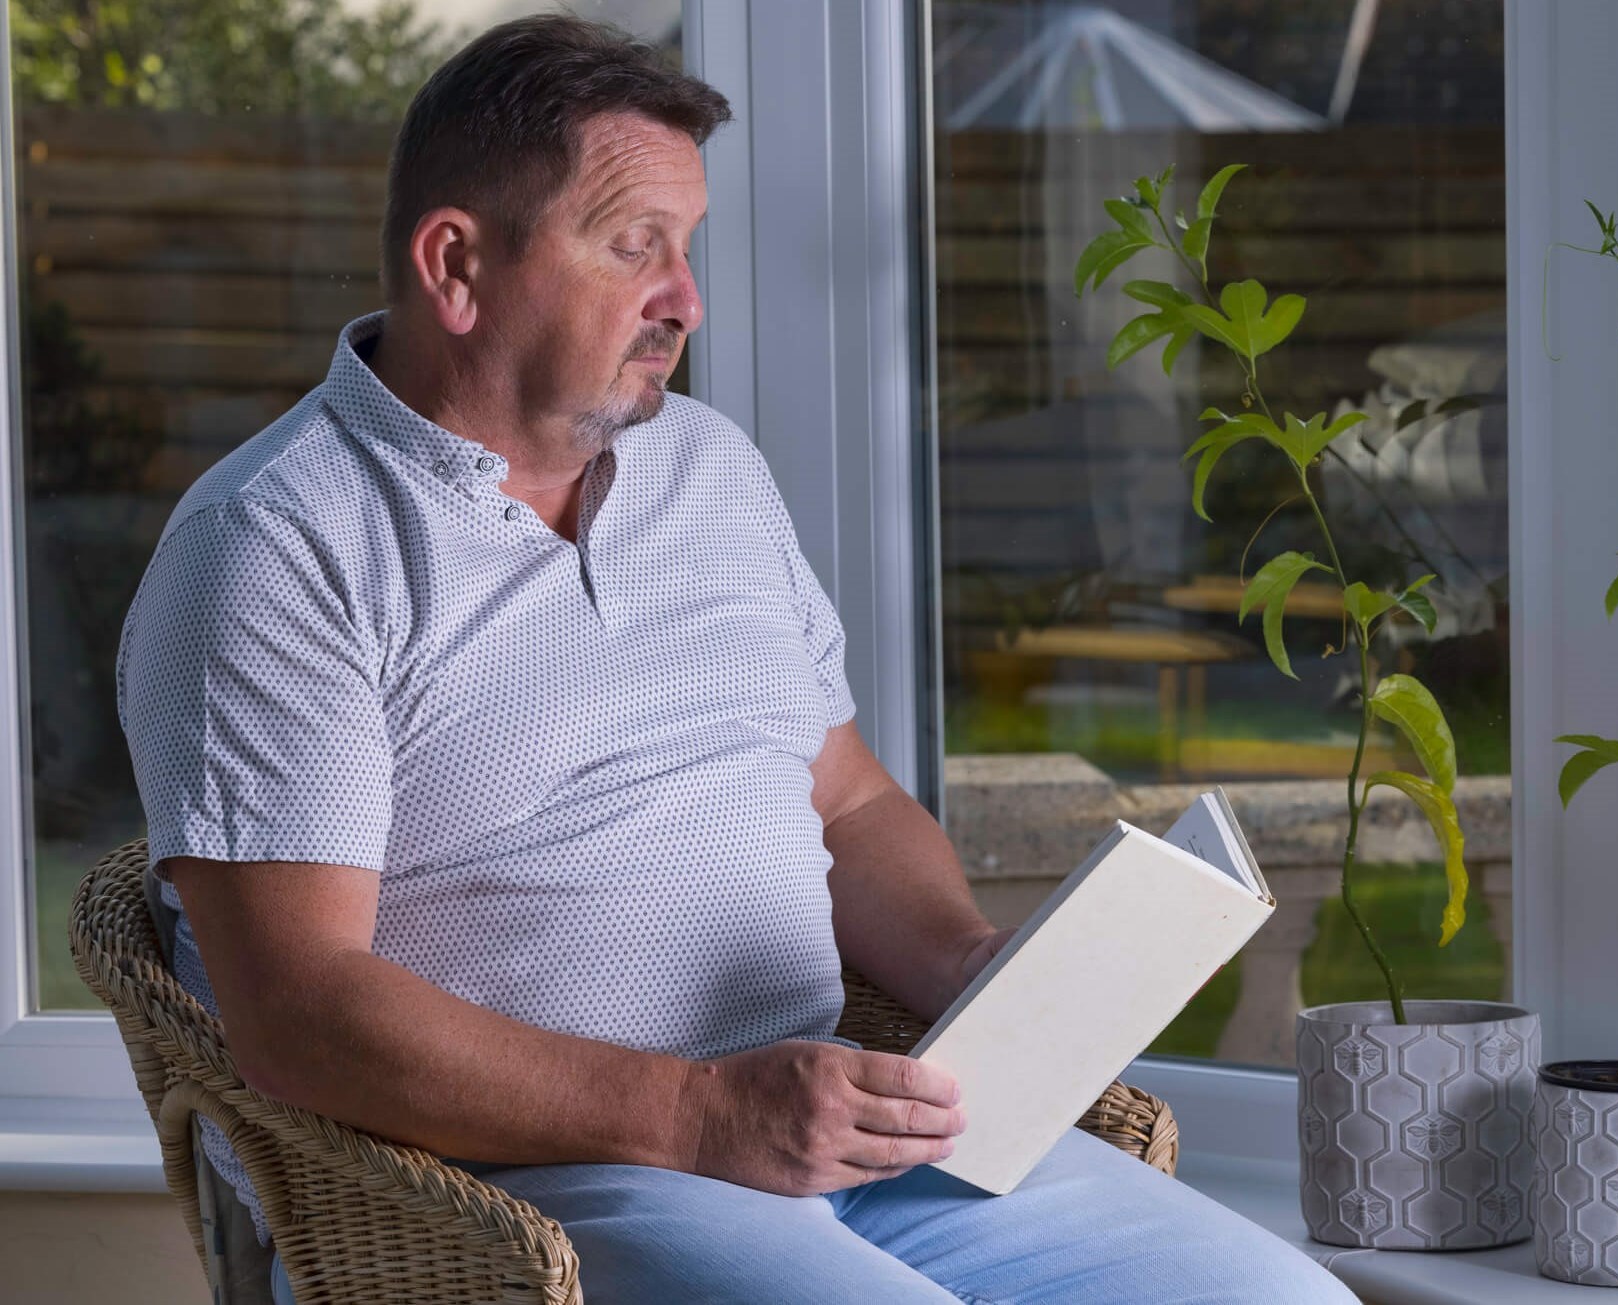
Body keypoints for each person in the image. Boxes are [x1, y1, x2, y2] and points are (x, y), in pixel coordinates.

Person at [117, 15, 1357, 1303]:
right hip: (548, 1170)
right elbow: (302, 1012)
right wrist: (701, 1114)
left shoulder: (706, 471)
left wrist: (969, 968)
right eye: (633, 245)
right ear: (458, 266)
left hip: (847, 1125)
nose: (686, 301)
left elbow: (850, 799)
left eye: (689, 246)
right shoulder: (271, 547)